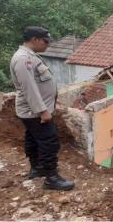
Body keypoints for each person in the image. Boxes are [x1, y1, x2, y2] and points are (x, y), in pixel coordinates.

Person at [10, 26, 74, 191]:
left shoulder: (30, 56)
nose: (47, 44)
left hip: (33, 111)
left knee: (33, 138)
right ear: (34, 40)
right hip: (35, 111)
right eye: (45, 41)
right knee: (49, 141)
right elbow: (29, 88)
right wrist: (43, 111)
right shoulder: (23, 59)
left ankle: (37, 168)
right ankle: (51, 178)